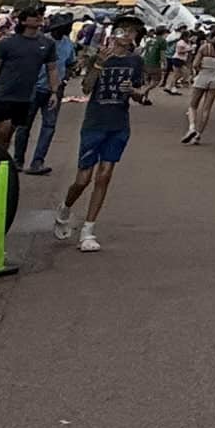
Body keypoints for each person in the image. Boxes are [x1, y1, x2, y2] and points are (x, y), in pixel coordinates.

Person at [53, 15, 154, 252]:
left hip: (119, 123)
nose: (126, 35)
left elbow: (140, 94)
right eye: (123, 30)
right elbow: (87, 87)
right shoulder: (98, 56)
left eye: (131, 32)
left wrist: (134, 92)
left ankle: (89, 228)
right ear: (114, 33)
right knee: (82, 179)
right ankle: (66, 208)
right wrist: (98, 65)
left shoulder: (135, 61)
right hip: (95, 122)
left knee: (105, 174)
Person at [0, 6, 61, 156]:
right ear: (24, 21)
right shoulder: (7, 43)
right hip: (1, 94)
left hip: (24, 97)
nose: (39, 17)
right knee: (2, 130)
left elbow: (52, 69)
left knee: (8, 135)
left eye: (41, 15)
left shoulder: (47, 44)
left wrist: (54, 92)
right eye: (34, 15)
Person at [14, 12, 78, 175]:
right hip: (34, 86)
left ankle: (38, 161)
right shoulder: (40, 40)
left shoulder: (67, 44)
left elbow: (71, 62)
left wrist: (64, 79)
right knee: (24, 125)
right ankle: (18, 159)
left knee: (48, 126)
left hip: (54, 89)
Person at [182, 27, 215, 143]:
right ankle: (198, 135)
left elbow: (195, 64)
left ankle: (192, 127)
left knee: (193, 105)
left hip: (203, 76)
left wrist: (200, 70)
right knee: (206, 108)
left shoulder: (204, 48)